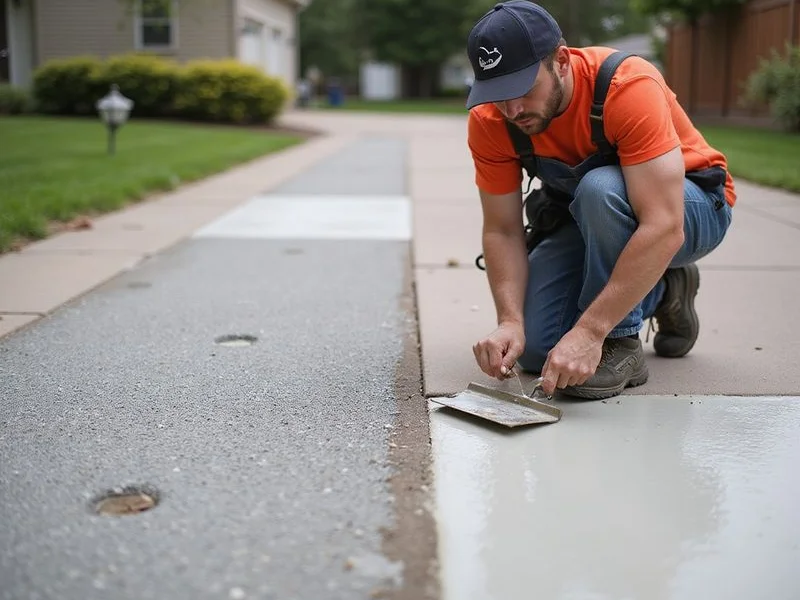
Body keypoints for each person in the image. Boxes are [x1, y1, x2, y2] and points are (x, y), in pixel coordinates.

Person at [466, 1, 735, 399]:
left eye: (522, 88)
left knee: (600, 188)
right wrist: (510, 321)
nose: (513, 109)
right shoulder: (493, 122)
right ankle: (664, 289)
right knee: (539, 349)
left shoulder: (626, 86)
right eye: (498, 93)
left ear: (560, 61)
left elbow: (664, 225)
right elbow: (502, 230)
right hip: (591, 219)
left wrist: (592, 333)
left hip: (692, 209)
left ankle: (622, 343)